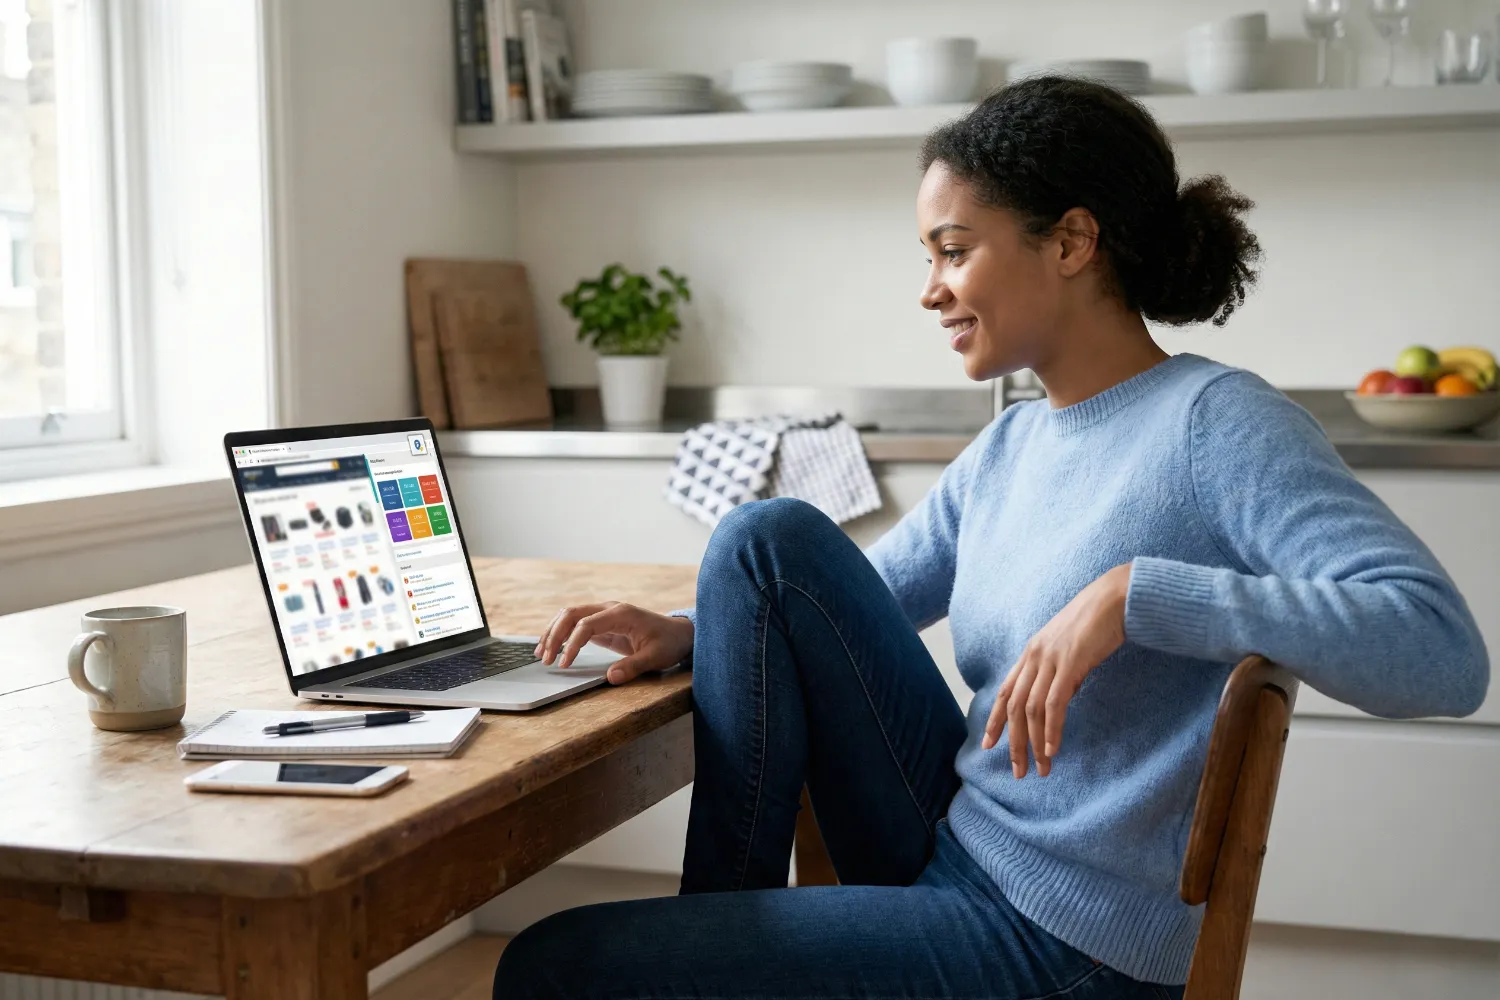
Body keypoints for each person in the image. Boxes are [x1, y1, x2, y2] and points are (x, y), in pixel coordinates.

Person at [493, 77, 1489, 1000]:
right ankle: (718, 924)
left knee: (548, 966)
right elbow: (844, 598)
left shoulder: (1216, 422)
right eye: (927, 255)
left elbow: (1444, 654)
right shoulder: (1016, 436)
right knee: (764, 539)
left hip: (1063, 942)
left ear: (1070, 243)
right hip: (961, 842)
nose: (930, 288)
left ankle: (711, 943)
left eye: (954, 250)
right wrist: (686, 628)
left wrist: (1137, 591)